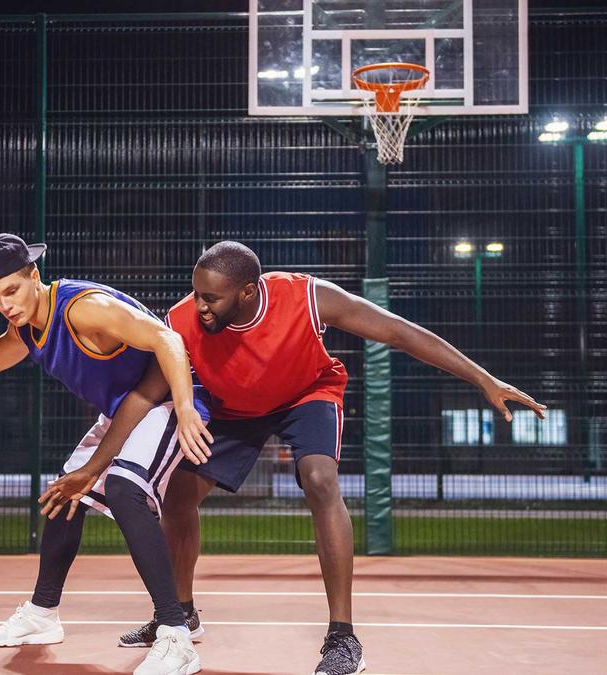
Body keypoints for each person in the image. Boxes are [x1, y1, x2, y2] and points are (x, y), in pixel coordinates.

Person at [42, 240, 547, 675]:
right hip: (234, 408)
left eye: (211, 297)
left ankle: (343, 635)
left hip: (306, 395)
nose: (199, 306)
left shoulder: (305, 297)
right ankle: (183, 614)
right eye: (196, 293)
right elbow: (141, 397)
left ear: (248, 292)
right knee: (177, 497)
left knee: (320, 480)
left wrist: (485, 379)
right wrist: (92, 467)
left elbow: (399, 331)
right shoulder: (182, 322)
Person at [0, 233, 212, 675]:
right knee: (64, 495)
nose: (5, 305)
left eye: (12, 291)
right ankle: (41, 614)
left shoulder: (82, 306)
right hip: (124, 410)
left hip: (169, 399)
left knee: (125, 489)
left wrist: (187, 408)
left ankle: (176, 634)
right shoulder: (25, 326)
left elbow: (167, 339)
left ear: (34, 275)